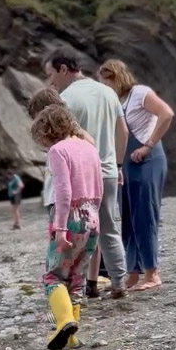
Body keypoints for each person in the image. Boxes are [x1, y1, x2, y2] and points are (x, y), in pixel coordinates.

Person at [45, 48, 128, 299]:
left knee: (78, 230)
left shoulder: (65, 99)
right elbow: (122, 131)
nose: (51, 82)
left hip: (79, 175)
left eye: (52, 75)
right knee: (109, 228)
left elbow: (60, 139)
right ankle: (118, 283)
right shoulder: (108, 92)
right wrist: (119, 165)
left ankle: (70, 287)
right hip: (108, 171)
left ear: (63, 69)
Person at [31, 105, 103, 350]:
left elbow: (63, 192)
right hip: (93, 216)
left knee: (53, 276)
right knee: (77, 278)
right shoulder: (90, 148)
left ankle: (64, 321)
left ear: (48, 130)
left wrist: (60, 228)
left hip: (70, 217)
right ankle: (71, 337)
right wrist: (94, 215)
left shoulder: (58, 150)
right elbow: (99, 188)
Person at [99, 59, 173, 291]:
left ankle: (152, 273)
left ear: (116, 77)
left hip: (147, 159)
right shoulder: (116, 102)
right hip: (127, 164)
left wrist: (148, 145)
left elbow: (166, 114)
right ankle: (133, 272)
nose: (104, 86)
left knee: (144, 216)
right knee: (128, 218)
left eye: (106, 81)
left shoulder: (140, 93)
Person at [28, 87, 96, 213]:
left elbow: (90, 142)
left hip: (61, 198)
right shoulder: (62, 133)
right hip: (54, 195)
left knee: (62, 230)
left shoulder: (69, 130)